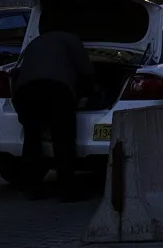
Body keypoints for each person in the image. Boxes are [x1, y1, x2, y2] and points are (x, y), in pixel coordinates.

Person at [11, 23, 97, 199]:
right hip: (56, 91)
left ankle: (31, 188)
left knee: (32, 141)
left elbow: (18, 73)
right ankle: (66, 190)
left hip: (25, 92)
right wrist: (87, 92)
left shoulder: (35, 42)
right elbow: (87, 71)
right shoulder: (71, 40)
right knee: (63, 140)